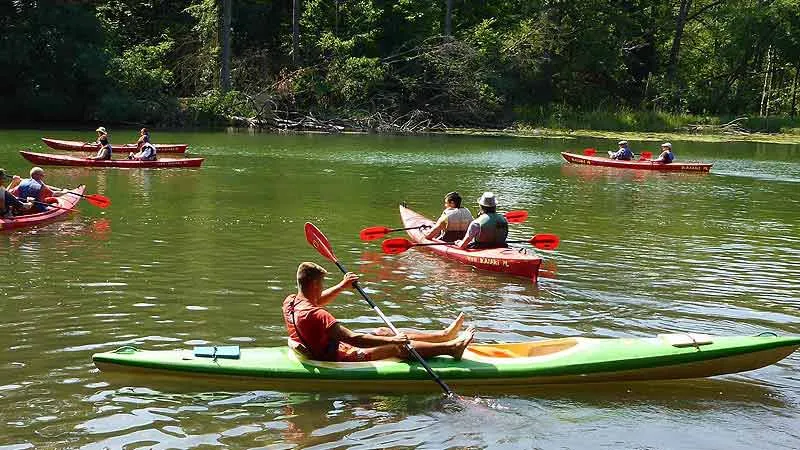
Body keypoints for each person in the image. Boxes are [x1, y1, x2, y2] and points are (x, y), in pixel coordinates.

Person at [282, 262, 474, 362]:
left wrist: (342, 286)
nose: (322, 287)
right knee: (397, 346)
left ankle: (443, 336)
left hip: (329, 348)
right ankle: (451, 349)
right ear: (315, 284)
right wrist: (393, 341)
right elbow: (353, 338)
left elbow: (317, 299)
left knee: (382, 331)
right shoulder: (317, 315)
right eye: (321, 284)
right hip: (342, 355)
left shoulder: (290, 302)